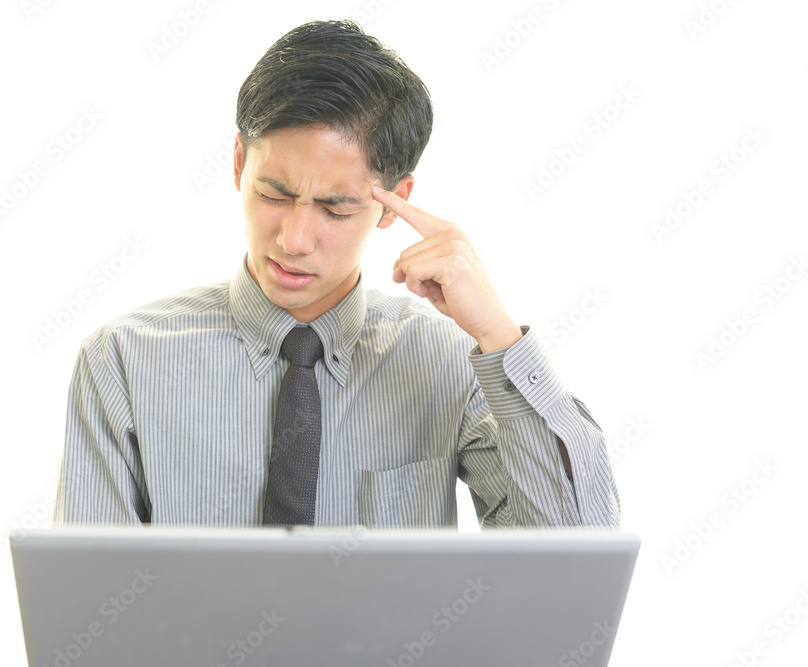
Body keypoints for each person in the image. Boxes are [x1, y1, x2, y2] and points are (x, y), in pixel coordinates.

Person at [52, 19, 620, 529]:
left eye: (336, 208)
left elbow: (576, 557)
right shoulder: (123, 359)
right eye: (274, 193)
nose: (294, 240)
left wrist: (499, 336)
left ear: (395, 202)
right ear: (238, 164)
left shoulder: (444, 361)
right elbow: (88, 598)